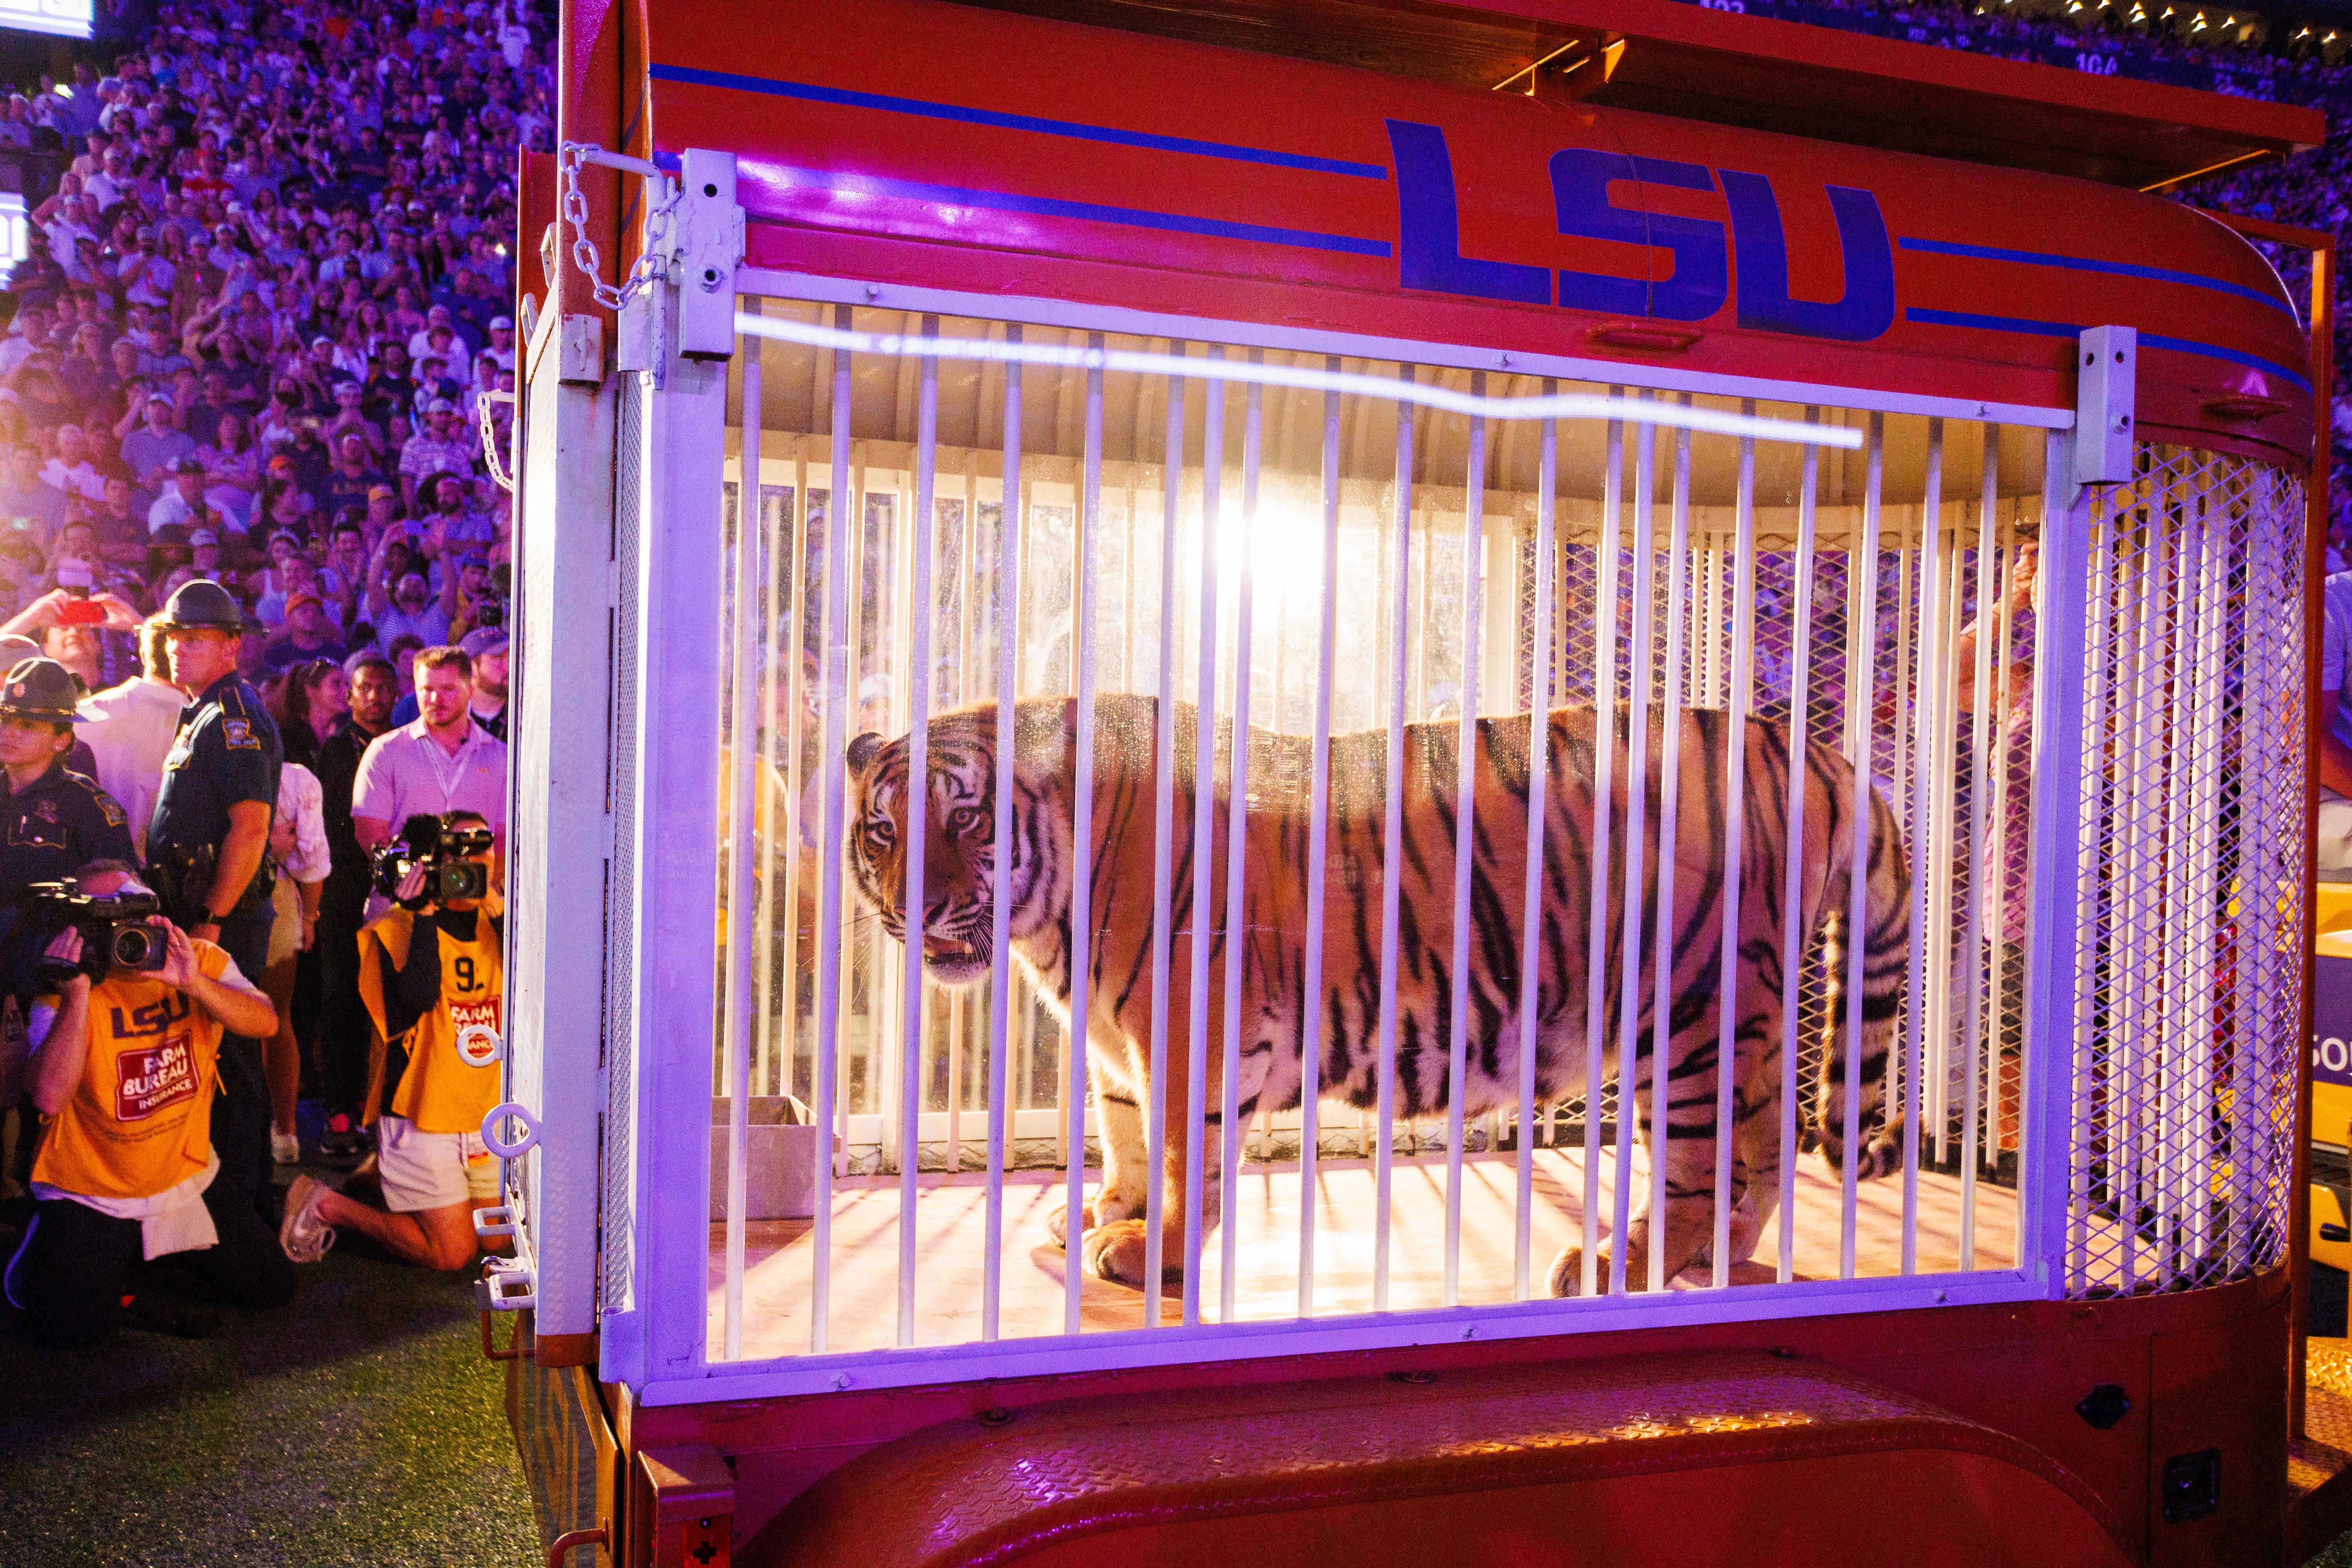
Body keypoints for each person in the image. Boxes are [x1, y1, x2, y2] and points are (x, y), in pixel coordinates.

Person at [2, 859, 290, 1346]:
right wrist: (75, 997)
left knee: (271, 1286)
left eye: (131, 913)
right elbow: (49, 1095)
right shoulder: (65, 988)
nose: (121, 934)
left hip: (183, 1172)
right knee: (68, 1332)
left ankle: (137, 1260)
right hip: (92, 1185)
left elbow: (265, 1023)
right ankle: (48, 1243)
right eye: (103, 922)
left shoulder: (197, 959)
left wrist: (193, 983)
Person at [280, 811, 501, 1271]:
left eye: (482, 848)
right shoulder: (394, 927)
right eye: (457, 852)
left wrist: (502, 913)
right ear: (431, 863)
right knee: (452, 1253)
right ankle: (328, 1203)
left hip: (483, 1108)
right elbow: (415, 999)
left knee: (499, 1242)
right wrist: (422, 913)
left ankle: (379, 1175)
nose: (472, 862)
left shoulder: (503, 922)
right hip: (420, 1110)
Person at [145, 579, 282, 1222]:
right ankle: (229, 1204)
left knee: (231, 1065)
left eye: (195, 639)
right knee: (213, 1059)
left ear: (231, 647)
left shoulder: (234, 716)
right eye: (175, 637)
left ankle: (240, 1212)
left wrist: (214, 922)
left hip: (218, 914)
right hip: (198, 910)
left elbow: (250, 828)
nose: (180, 650)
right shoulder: (202, 708)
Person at [313, 653, 395, 1163]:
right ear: (350, 695)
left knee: (388, 1004)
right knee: (341, 1000)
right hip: (344, 886)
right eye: (365, 687)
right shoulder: (336, 752)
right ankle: (340, 1113)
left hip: (395, 886)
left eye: (384, 688)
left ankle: (384, 1113)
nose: (374, 697)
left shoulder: (407, 746)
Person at [350, 646, 506, 907]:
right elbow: (370, 833)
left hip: (475, 904)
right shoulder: (385, 751)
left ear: (470, 691)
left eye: (448, 690)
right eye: (427, 689)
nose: (436, 699)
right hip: (401, 904)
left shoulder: (500, 756)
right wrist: (410, 880)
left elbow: (503, 838)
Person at [261, 760, 327, 1166]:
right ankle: (283, 1132)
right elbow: (313, 859)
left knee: (272, 1016)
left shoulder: (292, 777)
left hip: (266, 896)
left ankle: (281, 1130)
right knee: (275, 1017)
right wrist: (310, 915)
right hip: (274, 894)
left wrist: (309, 915)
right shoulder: (292, 776)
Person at [77, 619, 185, 860]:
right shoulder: (203, 719)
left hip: (96, 868)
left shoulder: (86, 712)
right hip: (174, 874)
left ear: (144, 655)